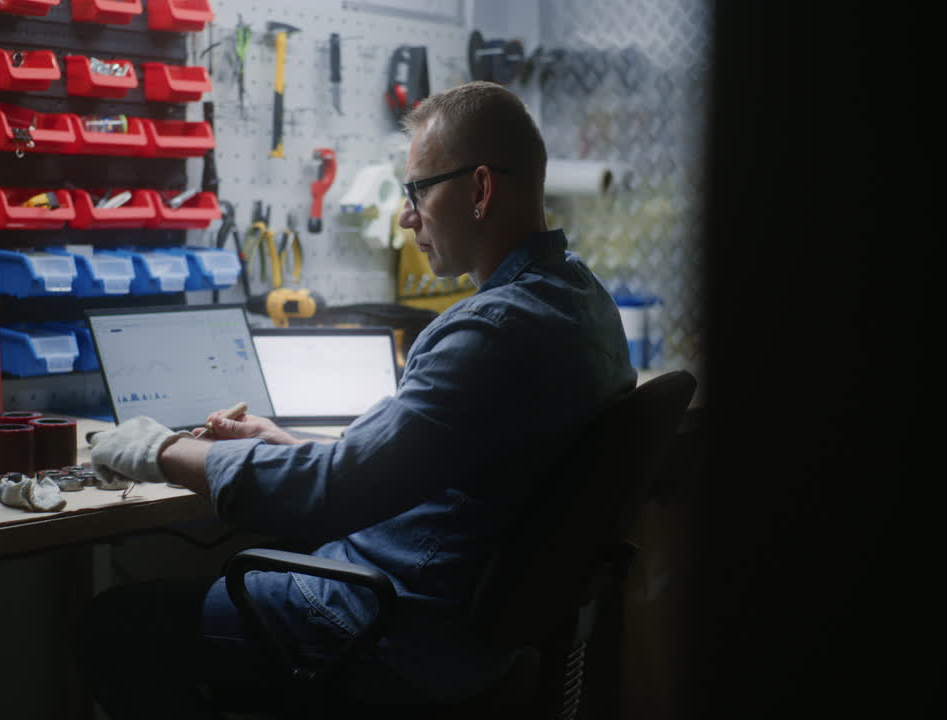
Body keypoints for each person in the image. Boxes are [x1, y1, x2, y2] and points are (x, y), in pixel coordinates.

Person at [77, 80, 636, 717]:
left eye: (418, 190)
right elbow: (410, 468)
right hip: (468, 632)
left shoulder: (492, 332)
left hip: (392, 628)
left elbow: (337, 489)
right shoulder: (583, 302)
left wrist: (159, 448)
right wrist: (281, 446)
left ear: (480, 190)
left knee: (113, 628)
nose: (406, 216)